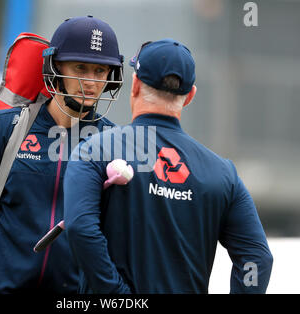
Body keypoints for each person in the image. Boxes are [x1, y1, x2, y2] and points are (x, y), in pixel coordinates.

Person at [63, 39, 273, 293]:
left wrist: (118, 295)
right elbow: (257, 258)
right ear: (190, 96)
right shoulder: (222, 173)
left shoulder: (94, 149)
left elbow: (80, 228)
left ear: (136, 84)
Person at [0, 16, 124, 293]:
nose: (90, 81)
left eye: (100, 71)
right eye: (80, 68)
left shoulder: (115, 145)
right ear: (55, 66)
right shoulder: (5, 128)